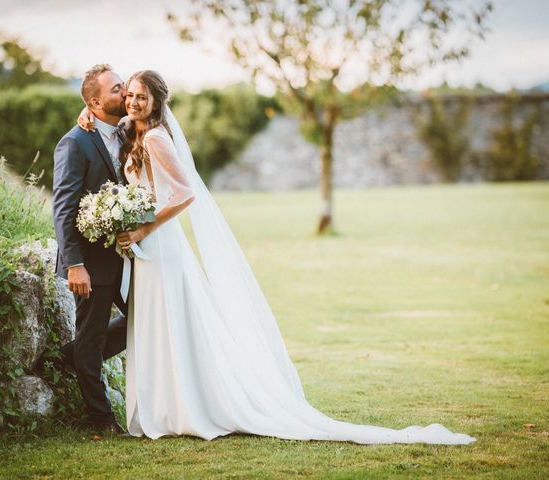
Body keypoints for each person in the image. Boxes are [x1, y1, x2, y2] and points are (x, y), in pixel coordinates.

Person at [77, 69, 476, 445]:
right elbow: (108, 123)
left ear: (157, 101)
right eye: (127, 94)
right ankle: (166, 405)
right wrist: (86, 114)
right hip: (146, 247)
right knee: (156, 322)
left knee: (167, 320)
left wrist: (145, 227)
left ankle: (182, 408)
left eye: (140, 97)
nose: (131, 101)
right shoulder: (132, 130)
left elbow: (184, 193)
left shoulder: (157, 139)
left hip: (160, 243)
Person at [52, 64, 132, 436]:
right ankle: (100, 419)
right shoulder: (74, 142)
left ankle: (71, 357)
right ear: (95, 101)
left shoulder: (129, 131)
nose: (126, 92)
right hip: (91, 262)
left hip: (127, 258)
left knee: (144, 320)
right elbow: (64, 207)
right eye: (118, 89)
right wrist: (75, 264)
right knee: (94, 334)